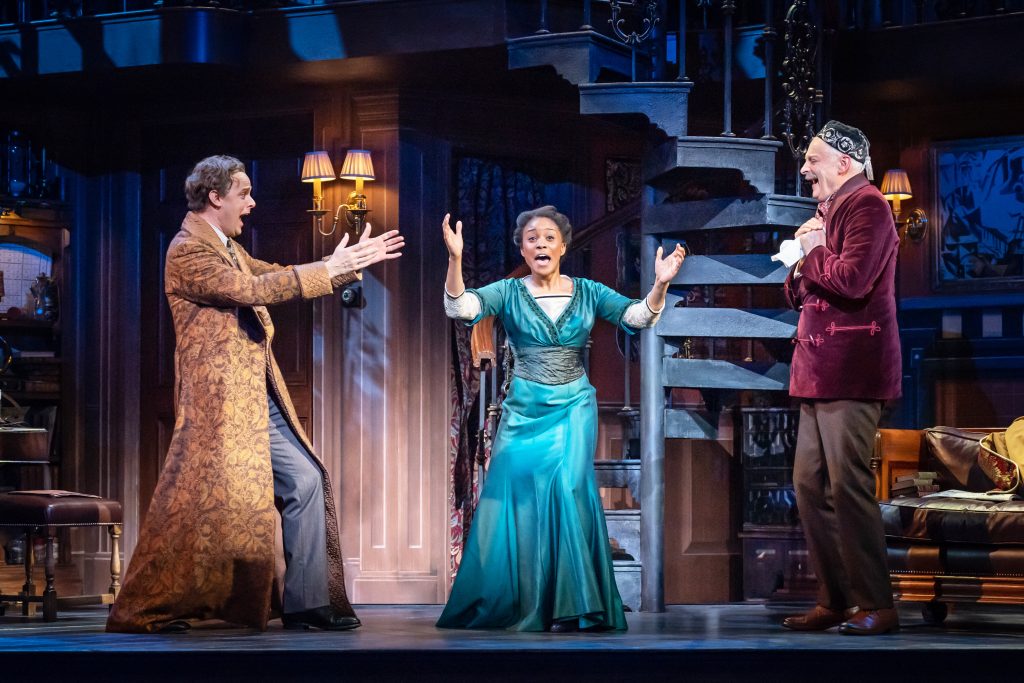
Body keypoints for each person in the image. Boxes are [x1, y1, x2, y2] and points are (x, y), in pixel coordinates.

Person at [106, 155, 403, 633]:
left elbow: (274, 272)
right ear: (215, 197)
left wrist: (341, 265)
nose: (252, 203)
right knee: (194, 505)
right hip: (219, 403)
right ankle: (148, 606)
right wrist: (332, 267)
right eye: (243, 193)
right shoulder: (188, 251)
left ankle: (307, 604)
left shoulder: (226, 246)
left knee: (304, 480)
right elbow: (250, 288)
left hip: (255, 395)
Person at [436, 206, 685, 632]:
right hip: (523, 408)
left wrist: (660, 285)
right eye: (532, 238)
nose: (541, 244)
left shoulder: (588, 291)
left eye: (549, 237)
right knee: (519, 497)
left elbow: (637, 317)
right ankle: (527, 600)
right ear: (522, 248)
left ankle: (575, 604)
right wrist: (455, 261)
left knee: (568, 488)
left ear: (564, 246)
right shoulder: (509, 292)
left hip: (573, 405)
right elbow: (460, 309)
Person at [781, 122, 901, 636]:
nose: (804, 168)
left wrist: (808, 251)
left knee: (847, 486)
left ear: (844, 163)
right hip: (815, 371)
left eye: (813, 158)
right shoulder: (827, 215)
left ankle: (877, 603)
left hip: (851, 369)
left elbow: (851, 280)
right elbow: (798, 293)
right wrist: (804, 255)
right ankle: (835, 599)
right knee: (808, 485)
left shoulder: (869, 207)